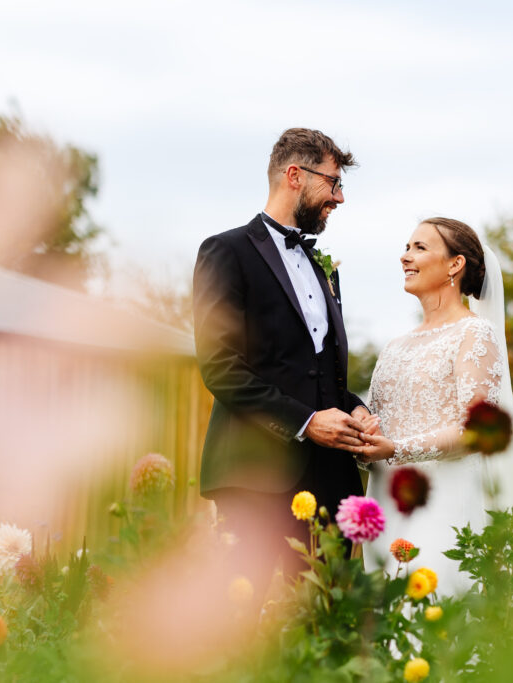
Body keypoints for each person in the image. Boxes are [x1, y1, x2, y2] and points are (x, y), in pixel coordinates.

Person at [193, 128, 372, 598]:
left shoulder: (323, 267)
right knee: (236, 619)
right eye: (333, 183)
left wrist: (352, 406)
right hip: (253, 474)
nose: (340, 197)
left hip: (329, 477)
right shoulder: (225, 252)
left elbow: (315, 368)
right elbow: (220, 366)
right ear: (295, 175)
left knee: (328, 622)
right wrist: (306, 422)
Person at [351, 217, 513, 597]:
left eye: (420, 248)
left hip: (444, 504)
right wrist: (362, 436)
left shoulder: (474, 334)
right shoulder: (394, 347)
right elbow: (381, 426)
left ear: (455, 264)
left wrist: (398, 450)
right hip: (385, 506)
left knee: (430, 621)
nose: (405, 257)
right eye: (407, 247)